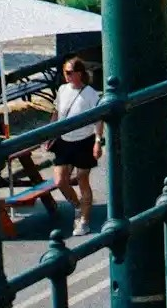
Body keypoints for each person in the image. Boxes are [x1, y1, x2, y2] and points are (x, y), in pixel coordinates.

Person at [48, 56, 104, 235]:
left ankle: (84, 221)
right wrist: (50, 133)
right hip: (64, 140)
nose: (67, 76)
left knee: (82, 179)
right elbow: (56, 112)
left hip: (84, 140)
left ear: (79, 73)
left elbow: (98, 119)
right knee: (60, 181)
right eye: (65, 72)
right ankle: (78, 206)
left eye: (70, 73)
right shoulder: (63, 90)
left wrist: (97, 141)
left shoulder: (90, 93)